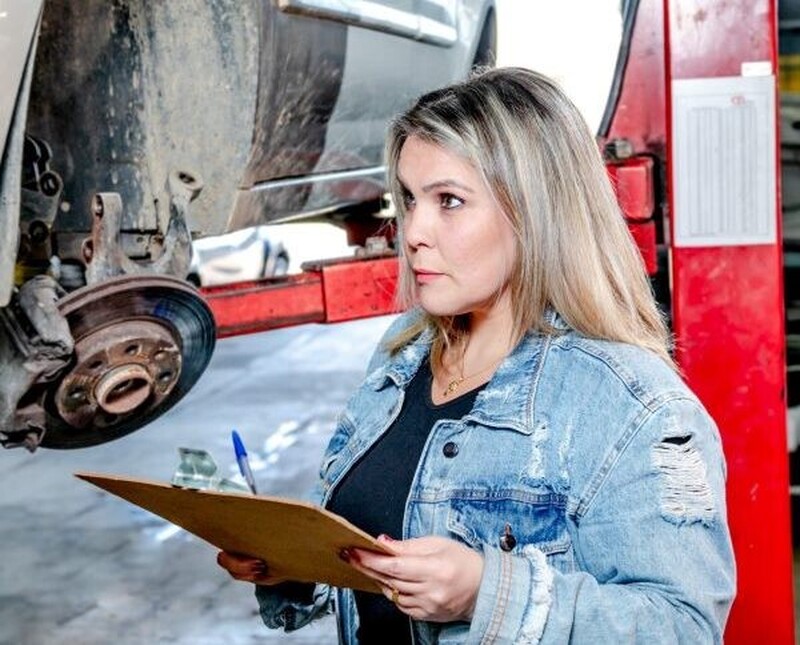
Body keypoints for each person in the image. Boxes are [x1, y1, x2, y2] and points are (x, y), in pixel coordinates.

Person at [217, 67, 735, 643]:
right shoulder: (402, 359)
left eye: (450, 201)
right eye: (409, 200)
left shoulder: (629, 404)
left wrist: (487, 593)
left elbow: (683, 628)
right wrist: (288, 564)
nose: (413, 230)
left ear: (537, 212)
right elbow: (372, 555)